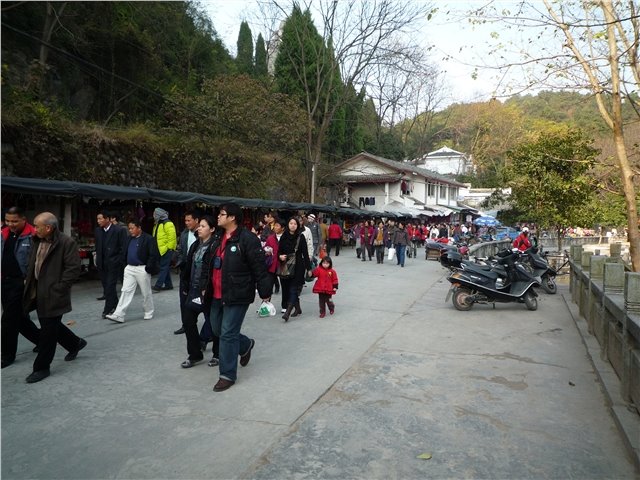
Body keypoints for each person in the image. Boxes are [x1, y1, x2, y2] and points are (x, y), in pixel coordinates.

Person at [204, 203, 272, 392]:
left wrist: (265, 292)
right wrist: (203, 286)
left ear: (232, 217)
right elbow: (209, 263)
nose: (218, 217)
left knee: (227, 333)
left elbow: (259, 267)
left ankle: (227, 375)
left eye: (222, 214)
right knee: (217, 328)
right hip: (216, 292)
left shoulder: (248, 239)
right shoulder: (217, 237)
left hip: (238, 293)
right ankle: (245, 344)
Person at [22, 212, 87, 383]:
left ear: (48, 227)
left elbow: (73, 269)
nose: (34, 229)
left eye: (37, 226)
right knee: (49, 325)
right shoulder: (37, 240)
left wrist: (59, 289)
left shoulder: (66, 243)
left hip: (54, 294)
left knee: (47, 333)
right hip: (36, 291)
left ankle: (42, 368)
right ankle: (75, 343)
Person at [1, 207, 41, 368]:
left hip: (22, 283)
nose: (11, 224)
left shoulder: (33, 236)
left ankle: (6, 355)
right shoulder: (3, 234)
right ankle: (42, 340)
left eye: (14, 221)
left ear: (24, 219)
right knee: (20, 319)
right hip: (5, 281)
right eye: (7, 220)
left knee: (8, 320)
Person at [179, 215, 220, 368]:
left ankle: (217, 354)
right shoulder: (196, 245)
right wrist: (185, 285)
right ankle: (195, 354)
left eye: (203, 226)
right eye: (200, 226)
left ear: (212, 229)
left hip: (209, 291)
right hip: (194, 290)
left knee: (214, 323)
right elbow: (189, 266)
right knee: (188, 321)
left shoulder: (216, 246)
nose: (199, 228)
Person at [106, 219, 160, 323]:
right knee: (125, 291)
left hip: (142, 268)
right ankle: (119, 314)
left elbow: (153, 255)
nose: (130, 230)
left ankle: (148, 312)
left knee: (145, 292)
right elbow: (124, 251)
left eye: (132, 228)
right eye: (129, 228)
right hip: (129, 268)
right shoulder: (128, 239)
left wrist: (147, 268)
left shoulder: (148, 239)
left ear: (139, 228)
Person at [277, 217, 312, 322]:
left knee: (293, 288)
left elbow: (305, 254)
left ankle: (288, 311)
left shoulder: (301, 237)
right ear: (288, 225)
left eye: (295, 224)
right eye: (291, 223)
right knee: (288, 288)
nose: (293, 225)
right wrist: (280, 256)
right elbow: (279, 251)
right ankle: (298, 308)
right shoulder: (284, 236)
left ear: (298, 226)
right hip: (286, 266)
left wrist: (309, 268)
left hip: (298, 267)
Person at [94, 210, 128, 319]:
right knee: (107, 287)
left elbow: (124, 247)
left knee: (110, 286)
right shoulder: (98, 231)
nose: (98, 221)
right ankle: (116, 305)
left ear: (107, 219)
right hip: (102, 263)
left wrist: (119, 260)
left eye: (100, 218)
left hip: (114, 263)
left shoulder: (118, 230)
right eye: (97, 219)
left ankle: (107, 309)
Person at [173, 210, 200, 335]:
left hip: (198, 273)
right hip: (186, 271)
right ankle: (186, 324)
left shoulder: (202, 233)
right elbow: (179, 250)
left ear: (196, 220)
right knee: (184, 300)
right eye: (185, 220)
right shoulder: (184, 234)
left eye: (189, 220)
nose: (187, 223)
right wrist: (178, 262)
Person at [152, 207, 177, 291]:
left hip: (166, 250)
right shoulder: (158, 223)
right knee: (164, 267)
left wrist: (169, 248)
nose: (153, 215)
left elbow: (172, 237)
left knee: (163, 267)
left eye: (155, 213)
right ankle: (169, 285)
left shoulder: (168, 223)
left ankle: (158, 285)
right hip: (160, 250)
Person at [264, 216, 284, 297]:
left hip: (283, 263)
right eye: (275, 225)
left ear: (282, 228)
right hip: (272, 262)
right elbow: (265, 247)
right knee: (270, 280)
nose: (275, 227)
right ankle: (266, 304)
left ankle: (285, 306)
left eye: (277, 226)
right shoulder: (270, 238)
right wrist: (267, 251)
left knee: (285, 284)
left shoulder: (286, 237)